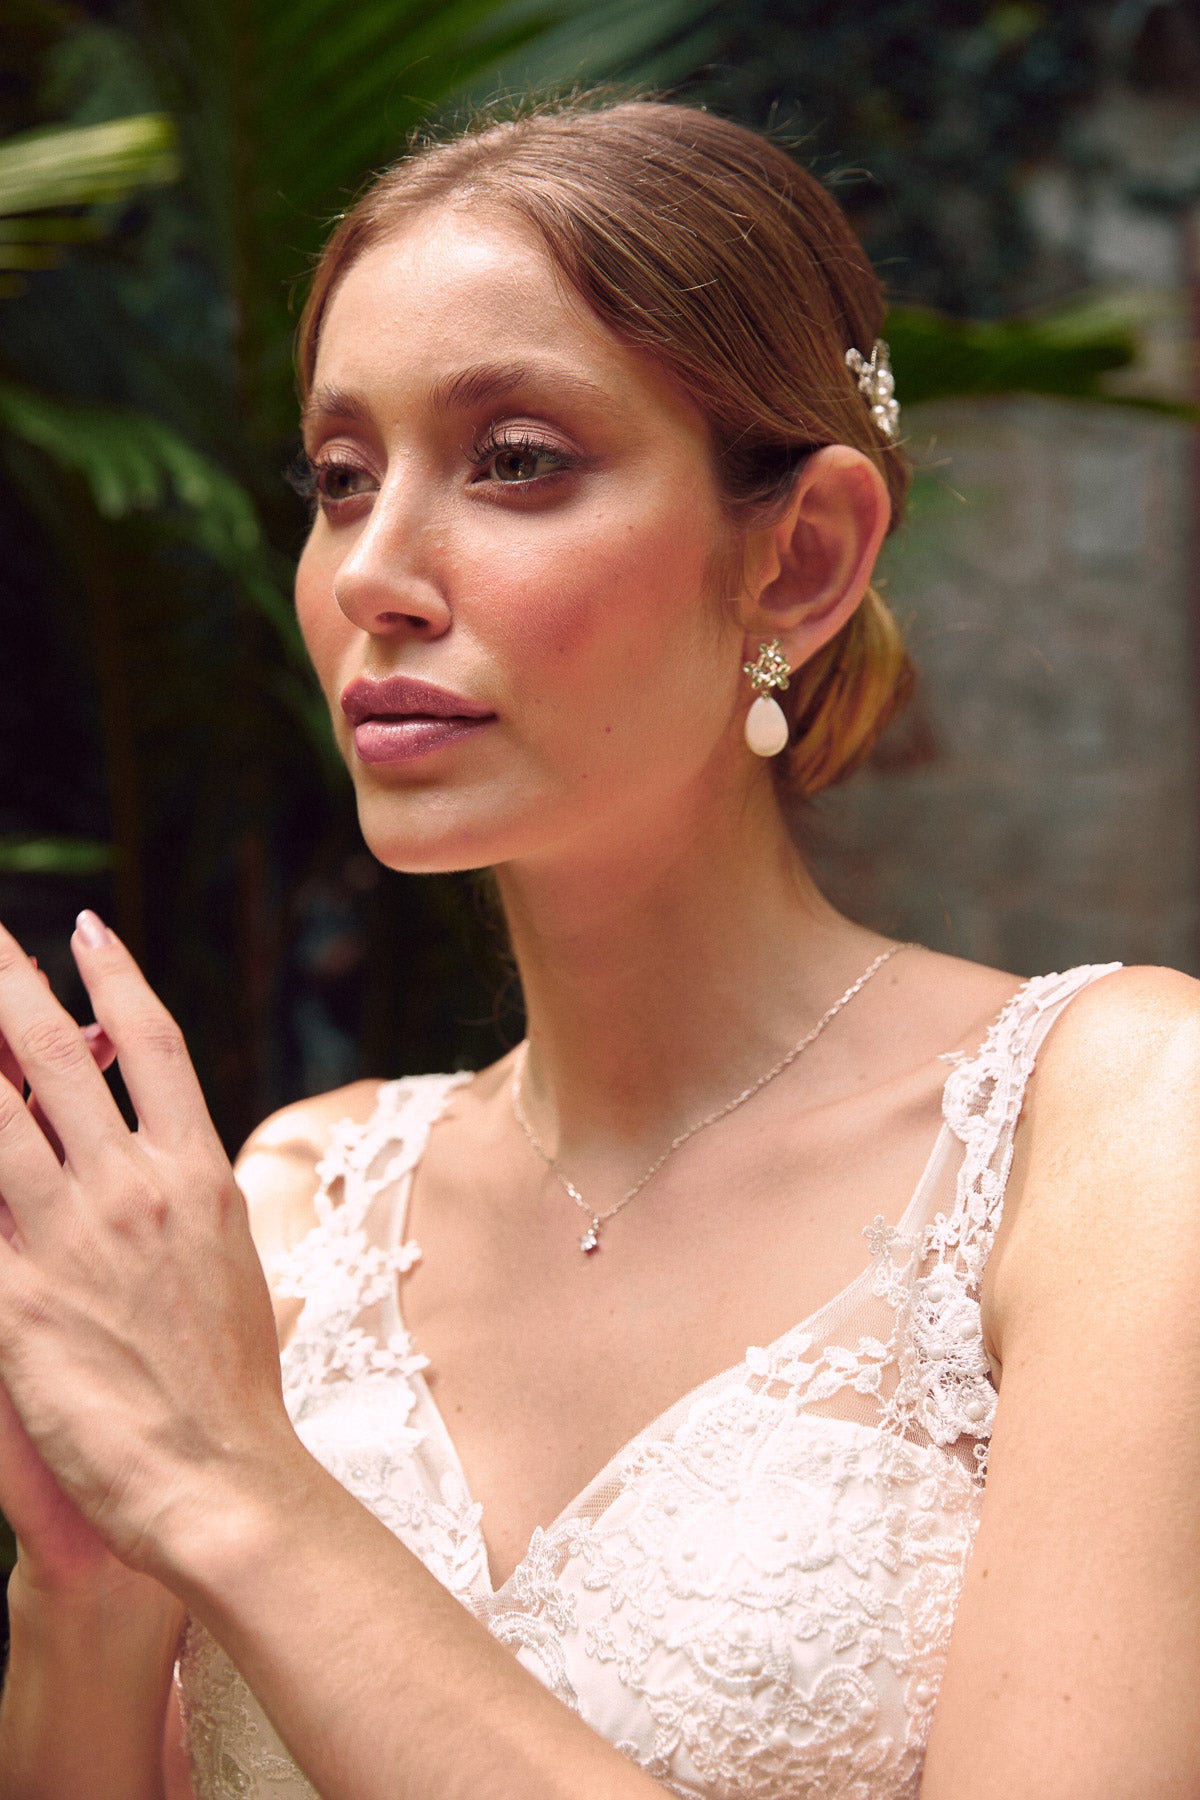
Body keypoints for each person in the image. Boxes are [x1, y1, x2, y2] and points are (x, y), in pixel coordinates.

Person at [0, 97, 1197, 1800]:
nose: (377, 576)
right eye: (341, 480)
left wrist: (233, 1494)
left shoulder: (1123, 1129)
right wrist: (89, 1585)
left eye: (515, 461)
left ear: (801, 557)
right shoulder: (288, 1208)